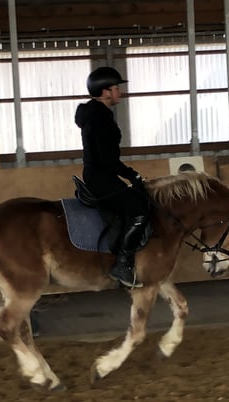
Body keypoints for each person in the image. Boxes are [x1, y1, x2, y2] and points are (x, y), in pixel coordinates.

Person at [74, 66, 150, 289]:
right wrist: (131, 174)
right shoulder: (100, 118)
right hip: (101, 176)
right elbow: (108, 160)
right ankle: (122, 265)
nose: (120, 92)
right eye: (116, 88)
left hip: (98, 173)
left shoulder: (98, 113)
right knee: (140, 211)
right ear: (105, 92)